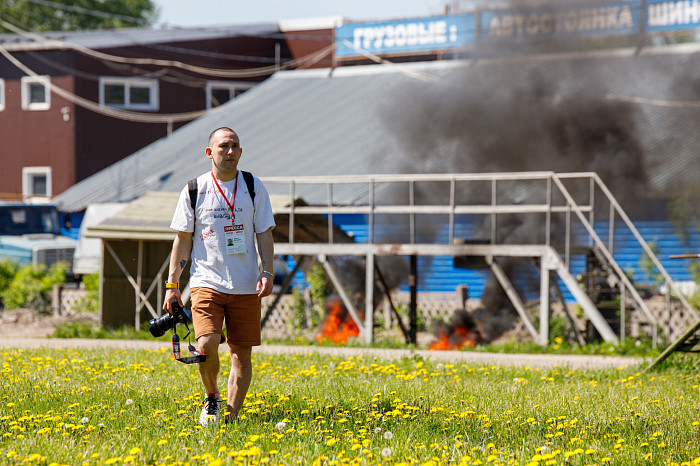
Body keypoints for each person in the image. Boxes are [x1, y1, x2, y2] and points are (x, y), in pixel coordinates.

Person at [163, 127, 275, 426]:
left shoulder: (253, 186)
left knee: (241, 354)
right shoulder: (194, 189)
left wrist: (267, 270)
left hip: (245, 285)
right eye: (224, 146)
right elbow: (183, 239)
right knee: (207, 343)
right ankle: (211, 396)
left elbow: (263, 232)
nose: (230, 151)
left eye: (235, 146)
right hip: (206, 282)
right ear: (209, 152)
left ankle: (230, 416)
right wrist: (173, 286)